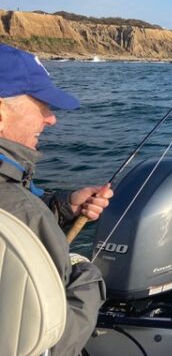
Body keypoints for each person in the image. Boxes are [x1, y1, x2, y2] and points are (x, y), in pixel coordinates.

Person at [0, 43, 113, 356]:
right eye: (42, 106)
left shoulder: (21, 204)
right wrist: (87, 277)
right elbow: (54, 342)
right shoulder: (21, 211)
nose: (51, 120)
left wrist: (64, 207)